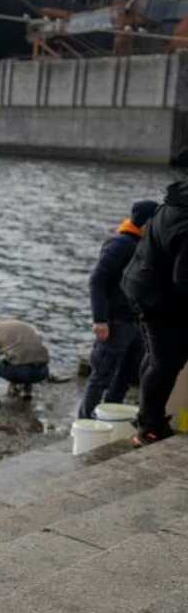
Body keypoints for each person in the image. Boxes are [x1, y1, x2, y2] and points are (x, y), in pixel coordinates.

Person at [120, 180, 188, 446]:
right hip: (157, 297)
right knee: (165, 362)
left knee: (155, 355)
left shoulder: (175, 202)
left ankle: (146, 418)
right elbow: (184, 280)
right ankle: (149, 429)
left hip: (141, 284)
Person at [77, 200, 159, 419]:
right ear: (147, 222)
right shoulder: (120, 244)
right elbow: (97, 280)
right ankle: (84, 420)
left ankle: (109, 418)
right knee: (101, 376)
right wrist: (100, 319)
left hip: (136, 322)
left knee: (126, 377)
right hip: (115, 322)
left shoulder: (145, 244)